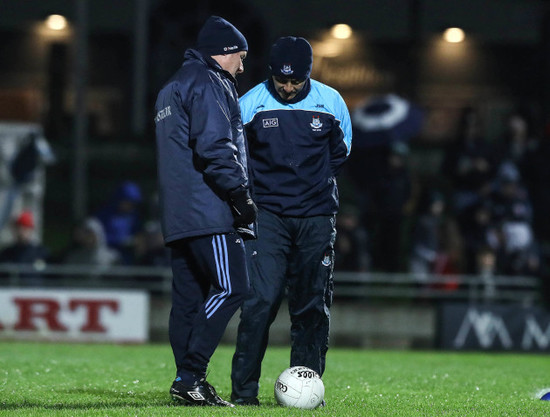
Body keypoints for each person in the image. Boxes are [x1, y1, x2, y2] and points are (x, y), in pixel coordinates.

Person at [230, 36, 352, 405]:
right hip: (267, 217)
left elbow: (341, 151)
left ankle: (307, 391)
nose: (287, 87)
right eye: (281, 80)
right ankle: (244, 394)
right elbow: (235, 156)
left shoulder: (331, 102)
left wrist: (309, 187)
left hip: (316, 217)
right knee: (260, 302)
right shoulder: (249, 104)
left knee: (311, 305)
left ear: (308, 75)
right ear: (270, 74)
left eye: (295, 81)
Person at [154, 16, 257, 407]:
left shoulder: (171, 86)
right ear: (225, 52)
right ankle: (191, 375)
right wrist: (239, 196)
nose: (243, 67)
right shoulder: (207, 81)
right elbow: (215, 146)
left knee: (188, 302)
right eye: (241, 57)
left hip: (178, 214)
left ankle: (187, 383)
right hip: (207, 209)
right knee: (233, 287)